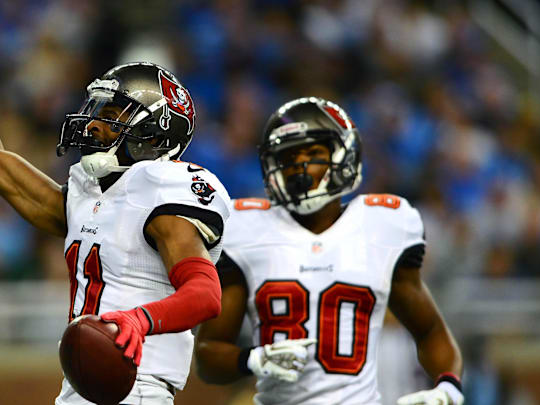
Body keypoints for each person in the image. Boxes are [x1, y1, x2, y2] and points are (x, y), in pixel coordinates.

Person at [0, 6, 230, 405]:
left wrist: (139, 319)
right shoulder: (89, 194)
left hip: (137, 386)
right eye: (96, 111)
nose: (94, 123)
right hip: (80, 390)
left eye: (112, 115)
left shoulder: (165, 188)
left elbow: (205, 293)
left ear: (154, 131)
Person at [194, 97, 464, 405]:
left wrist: (448, 390)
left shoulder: (382, 226)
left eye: (313, 153)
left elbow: (429, 331)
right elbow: (208, 356)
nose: (300, 166)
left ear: (343, 156)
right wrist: (253, 360)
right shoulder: (248, 230)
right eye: (289, 156)